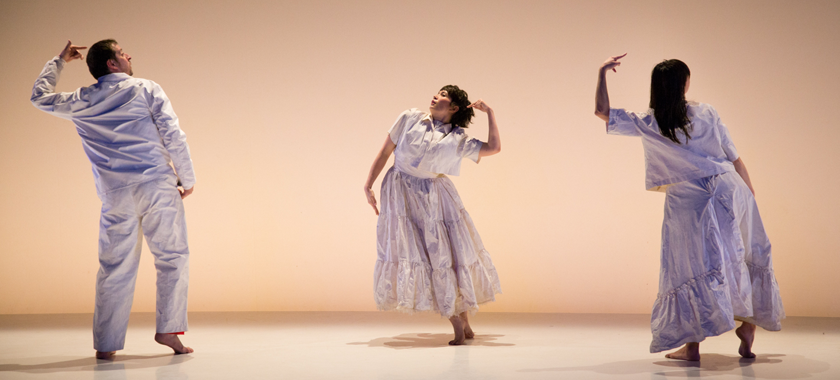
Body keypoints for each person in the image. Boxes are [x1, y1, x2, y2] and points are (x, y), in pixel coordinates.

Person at [594, 54, 785, 361]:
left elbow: (601, 111)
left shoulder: (650, 122)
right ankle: (748, 328)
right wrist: (748, 195)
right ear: (684, 84)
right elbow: (734, 156)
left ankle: (692, 346)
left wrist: (603, 73)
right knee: (741, 253)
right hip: (729, 188)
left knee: (688, 265)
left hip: (690, 199)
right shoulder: (706, 112)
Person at [30, 40, 196, 359]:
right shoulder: (147, 88)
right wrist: (187, 179)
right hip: (157, 186)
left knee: (114, 267)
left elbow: (39, 98)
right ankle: (169, 330)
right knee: (173, 258)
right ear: (112, 63)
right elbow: (174, 134)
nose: (129, 54)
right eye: (122, 52)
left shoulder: (82, 99)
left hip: (115, 194)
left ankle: (106, 345)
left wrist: (59, 61)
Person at [364, 85, 503, 345]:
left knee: (447, 256)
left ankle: (463, 323)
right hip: (401, 194)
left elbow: (494, 148)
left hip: (435, 199)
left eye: (442, 94)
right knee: (419, 255)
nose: (435, 95)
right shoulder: (409, 118)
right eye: (437, 92)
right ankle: (457, 322)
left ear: (454, 108)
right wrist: (368, 183)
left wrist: (490, 113)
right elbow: (385, 152)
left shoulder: (458, 139)